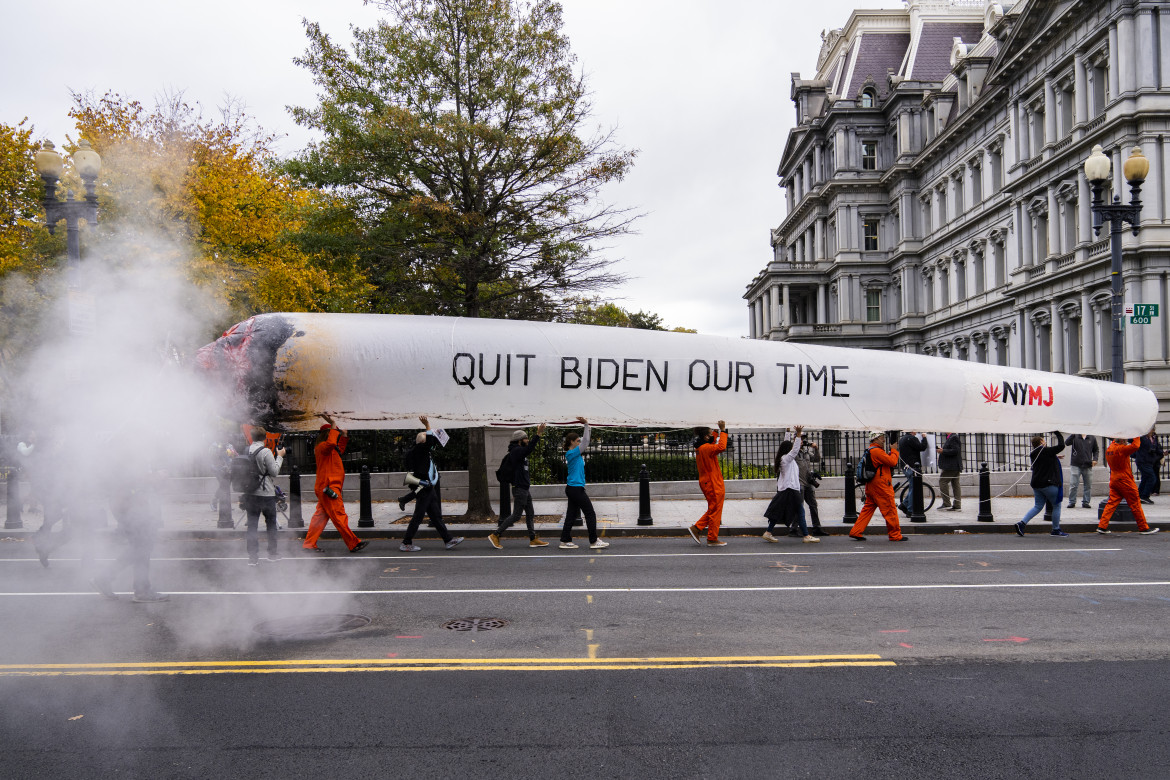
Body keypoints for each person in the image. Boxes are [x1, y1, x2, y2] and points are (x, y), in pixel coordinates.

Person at [91, 457, 167, 603]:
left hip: (131, 504)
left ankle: (139, 589)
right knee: (142, 547)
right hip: (129, 505)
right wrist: (156, 476)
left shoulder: (135, 448)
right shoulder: (130, 449)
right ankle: (138, 589)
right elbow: (132, 478)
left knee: (141, 547)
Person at [303, 415, 368, 554]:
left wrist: (344, 436)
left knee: (320, 517)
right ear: (329, 433)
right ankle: (353, 543)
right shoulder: (323, 447)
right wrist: (333, 423)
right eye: (334, 433)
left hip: (326, 487)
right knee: (339, 516)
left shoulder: (327, 449)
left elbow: (339, 449)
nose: (336, 435)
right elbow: (333, 444)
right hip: (329, 488)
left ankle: (309, 543)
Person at [401, 416, 463, 552]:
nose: (430, 440)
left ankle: (448, 540)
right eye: (427, 437)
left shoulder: (423, 452)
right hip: (424, 488)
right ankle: (406, 542)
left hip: (428, 487)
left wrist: (433, 431)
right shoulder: (419, 450)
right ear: (422, 441)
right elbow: (430, 442)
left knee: (435, 516)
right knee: (418, 517)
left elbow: (432, 442)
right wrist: (427, 425)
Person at [488, 424, 549, 549]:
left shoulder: (520, 452)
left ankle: (533, 539)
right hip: (520, 488)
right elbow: (529, 449)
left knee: (530, 513)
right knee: (516, 515)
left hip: (524, 488)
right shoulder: (516, 451)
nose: (527, 441)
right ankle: (495, 534)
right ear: (520, 440)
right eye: (526, 439)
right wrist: (538, 434)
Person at [763, 427, 819, 544]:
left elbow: (786, 444)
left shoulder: (783, 458)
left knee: (778, 511)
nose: (793, 448)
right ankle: (806, 536)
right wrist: (798, 435)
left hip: (787, 489)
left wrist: (788, 432)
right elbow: (794, 450)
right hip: (791, 490)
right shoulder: (786, 459)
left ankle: (768, 532)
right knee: (801, 512)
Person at [558, 417, 608, 550]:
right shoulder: (571, 453)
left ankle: (565, 540)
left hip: (574, 488)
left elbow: (585, 442)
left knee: (570, 515)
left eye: (579, 440)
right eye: (577, 441)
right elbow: (586, 442)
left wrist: (587, 427)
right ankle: (593, 541)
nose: (580, 442)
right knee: (590, 513)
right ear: (571, 442)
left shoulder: (574, 454)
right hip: (575, 489)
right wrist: (586, 425)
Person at [1097, 436, 1160, 535]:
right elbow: (1136, 446)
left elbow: (1117, 441)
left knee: (1111, 503)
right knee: (1135, 503)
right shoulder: (1121, 449)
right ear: (1122, 440)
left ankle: (1102, 526)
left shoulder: (1110, 448)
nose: (1127, 442)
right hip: (1125, 480)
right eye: (1126, 440)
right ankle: (1143, 527)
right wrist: (1137, 434)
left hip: (1114, 478)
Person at [849, 431, 905, 542]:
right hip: (881, 486)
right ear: (875, 439)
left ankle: (856, 531)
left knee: (867, 509)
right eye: (882, 438)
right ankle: (895, 535)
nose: (884, 440)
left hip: (872, 486)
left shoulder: (871, 450)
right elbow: (892, 462)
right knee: (890, 510)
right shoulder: (876, 451)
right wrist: (894, 450)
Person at [1013, 431, 1069, 538]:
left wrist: (1056, 457)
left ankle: (1022, 523)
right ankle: (1056, 529)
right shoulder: (1046, 451)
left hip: (1036, 484)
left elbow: (1044, 460)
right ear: (1042, 441)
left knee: (1038, 506)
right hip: (1048, 484)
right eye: (1044, 440)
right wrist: (1057, 433)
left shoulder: (1033, 453)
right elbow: (1061, 445)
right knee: (1056, 505)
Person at [244, 426, 285, 565]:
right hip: (266, 493)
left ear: (252, 437)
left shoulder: (246, 450)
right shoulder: (266, 451)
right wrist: (280, 457)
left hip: (250, 493)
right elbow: (274, 472)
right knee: (271, 525)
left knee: (252, 526)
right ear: (265, 438)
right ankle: (272, 554)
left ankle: (252, 558)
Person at [688, 420, 728, 546]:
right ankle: (709, 536)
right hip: (712, 482)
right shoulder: (706, 448)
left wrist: (716, 432)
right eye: (710, 434)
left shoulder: (701, 447)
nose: (712, 436)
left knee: (714, 508)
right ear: (706, 436)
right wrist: (723, 431)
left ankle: (699, 529)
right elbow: (721, 446)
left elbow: (712, 440)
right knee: (715, 509)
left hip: (708, 481)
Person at [795, 437, 828, 536]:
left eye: (803, 439)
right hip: (798, 482)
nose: (803, 441)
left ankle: (817, 528)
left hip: (808, 482)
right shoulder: (793, 452)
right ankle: (794, 529)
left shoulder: (806, 452)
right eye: (800, 439)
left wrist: (816, 448)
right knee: (799, 506)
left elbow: (817, 459)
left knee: (813, 505)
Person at [896, 430, 929, 515]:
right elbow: (922, 447)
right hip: (912, 467)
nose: (917, 431)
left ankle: (904, 504)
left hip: (905, 466)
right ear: (911, 431)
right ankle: (910, 509)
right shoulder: (912, 438)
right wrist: (924, 438)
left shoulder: (902, 439)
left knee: (912, 487)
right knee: (914, 488)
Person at [1065, 433, 1099, 509]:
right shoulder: (1075, 436)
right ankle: (1072, 502)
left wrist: (1095, 459)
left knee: (1088, 485)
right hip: (1076, 464)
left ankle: (1086, 502)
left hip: (1088, 464)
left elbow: (1096, 449)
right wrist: (1072, 435)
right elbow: (1067, 443)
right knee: (1073, 484)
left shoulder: (1092, 437)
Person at [937, 432, 962, 511]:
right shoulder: (952, 437)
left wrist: (943, 451)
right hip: (954, 466)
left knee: (942, 482)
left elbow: (955, 450)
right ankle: (957, 505)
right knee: (955, 484)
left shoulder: (953, 437)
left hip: (951, 466)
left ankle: (946, 503)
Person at [1135, 430, 1162, 505]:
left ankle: (1139, 495)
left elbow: (1157, 449)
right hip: (1142, 461)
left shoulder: (1154, 437)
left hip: (1150, 461)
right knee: (1152, 477)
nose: (1152, 431)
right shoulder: (1141, 437)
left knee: (1145, 478)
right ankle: (1144, 496)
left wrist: (1162, 453)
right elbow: (1132, 441)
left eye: (1153, 430)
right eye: (1151, 430)